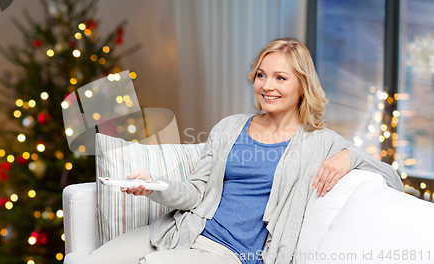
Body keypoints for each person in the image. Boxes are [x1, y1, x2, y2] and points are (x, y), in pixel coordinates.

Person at [81, 38, 403, 264]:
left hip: (230, 254)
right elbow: (197, 192)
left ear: (302, 86)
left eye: (280, 77)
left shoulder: (320, 141)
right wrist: (155, 185)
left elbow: (393, 179)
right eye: (261, 75)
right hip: (180, 230)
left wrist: (350, 156)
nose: (267, 86)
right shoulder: (230, 126)